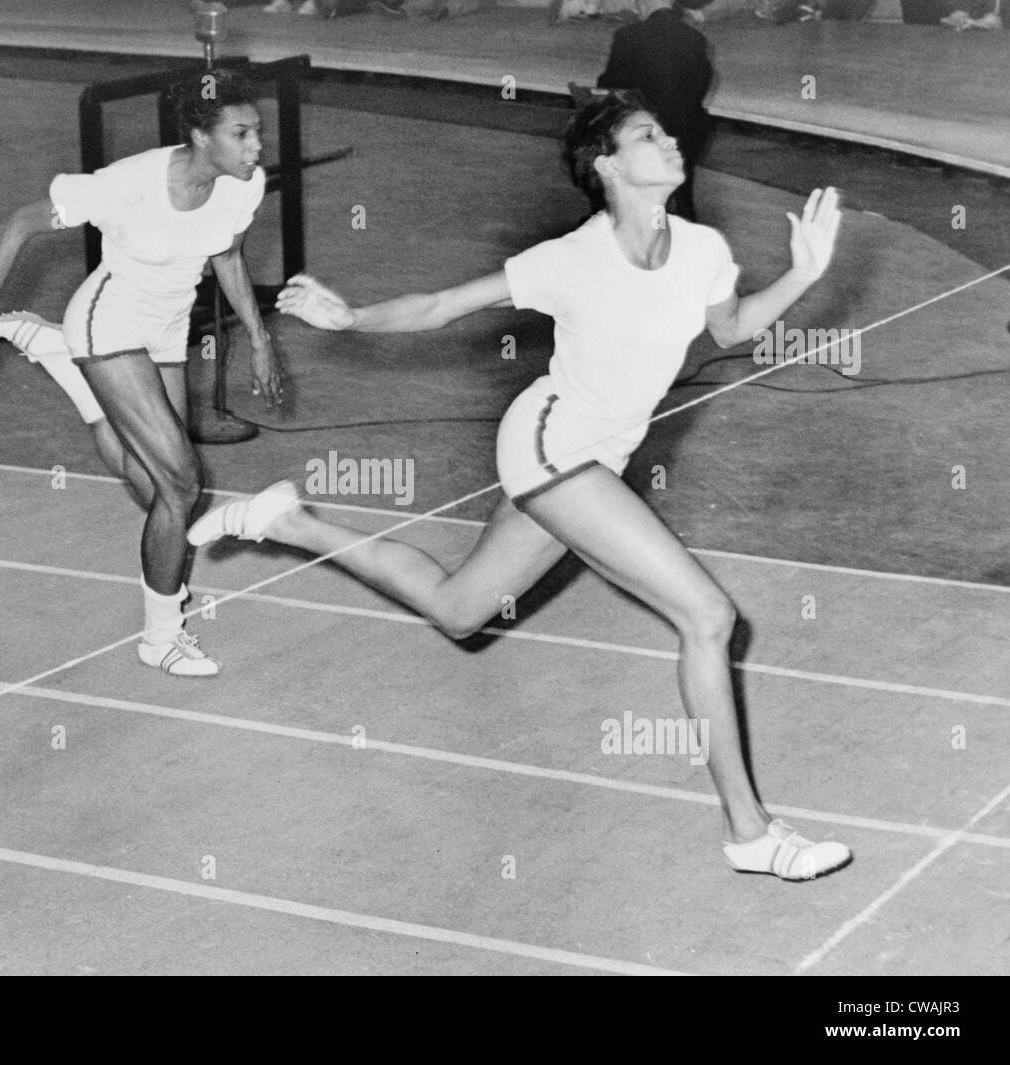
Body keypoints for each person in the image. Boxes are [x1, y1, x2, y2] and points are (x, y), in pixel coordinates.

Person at [190, 90, 853, 880]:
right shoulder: (572, 258)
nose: (670, 139)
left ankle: (291, 521)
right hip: (547, 444)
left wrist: (805, 273)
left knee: (460, 609)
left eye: (665, 129)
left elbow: (732, 327)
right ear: (608, 165)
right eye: (648, 133)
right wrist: (352, 318)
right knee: (707, 615)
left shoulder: (704, 247)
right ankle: (750, 830)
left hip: (595, 459)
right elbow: (443, 304)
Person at [0, 69, 284, 678]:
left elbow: (225, 252)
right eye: (243, 132)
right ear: (201, 136)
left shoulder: (241, 186)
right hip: (108, 321)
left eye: (258, 132)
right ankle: (161, 636)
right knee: (180, 484)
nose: (258, 146)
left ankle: (67, 369)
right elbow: (19, 223)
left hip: (169, 329)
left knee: (151, 485)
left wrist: (258, 336)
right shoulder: (129, 183)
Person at [596, 0, 712, 221]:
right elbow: (702, 82)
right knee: (683, 192)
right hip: (688, 133)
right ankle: (684, 219)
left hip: (646, 135)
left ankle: (619, 219)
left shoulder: (628, 36)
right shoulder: (695, 38)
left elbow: (611, 83)